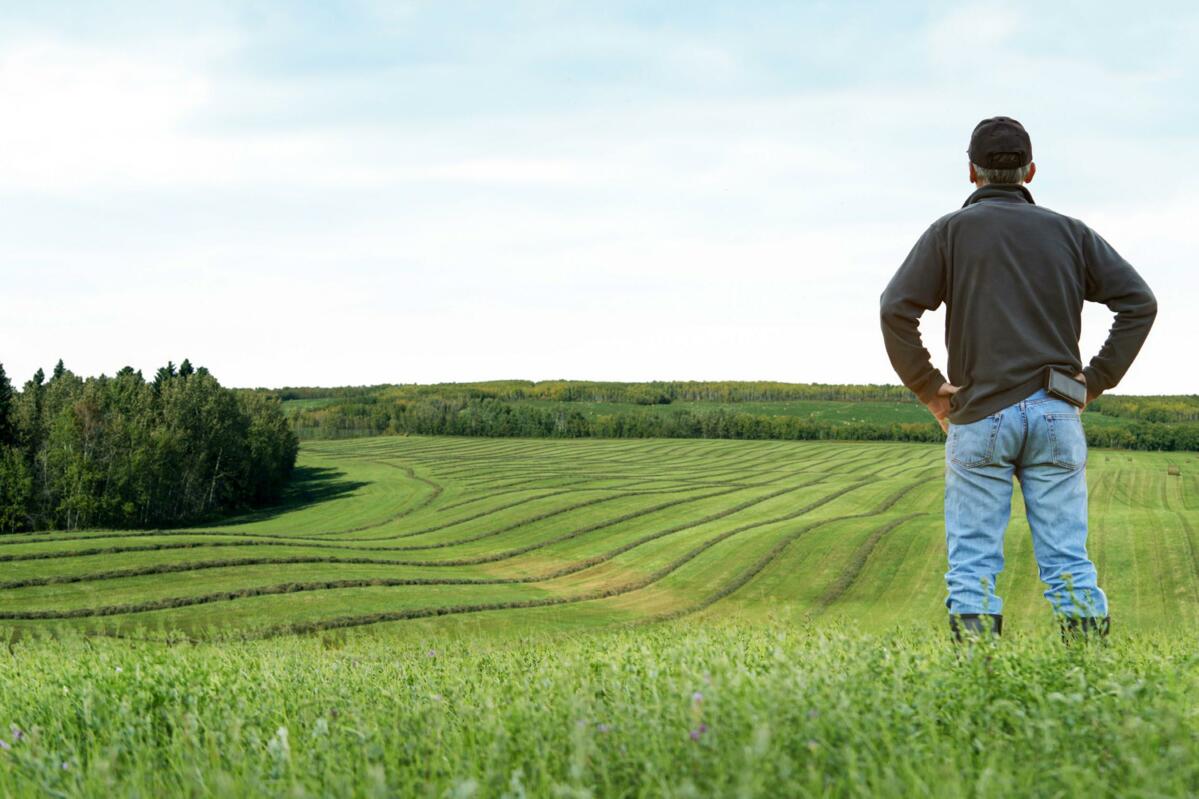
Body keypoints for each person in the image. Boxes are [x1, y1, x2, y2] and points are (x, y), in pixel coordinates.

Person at [879, 116, 1157, 643]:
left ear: (971, 173)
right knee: (1068, 561)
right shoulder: (1071, 233)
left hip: (978, 412)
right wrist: (1094, 381)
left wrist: (930, 389)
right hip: (1056, 409)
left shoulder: (949, 233)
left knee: (973, 565)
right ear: (1030, 171)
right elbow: (1139, 303)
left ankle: (979, 688)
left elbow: (896, 310)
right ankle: (1090, 682)